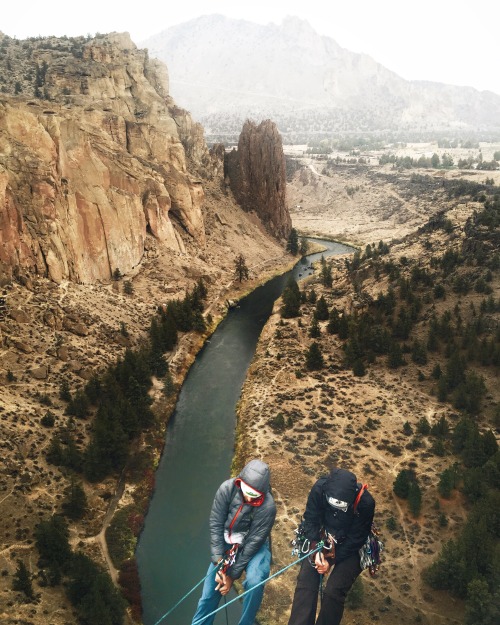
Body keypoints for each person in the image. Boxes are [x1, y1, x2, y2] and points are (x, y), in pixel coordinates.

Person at [191, 459, 276, 625]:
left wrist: (231, 575)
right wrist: (219, 563)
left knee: (255, 581)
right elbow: (216, 524)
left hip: (254, 547)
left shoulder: (268, 507)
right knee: (208, 594)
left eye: (254, 495)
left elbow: (253, 542)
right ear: (240, 482)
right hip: (227, 541)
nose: (248, 497)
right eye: (245, 490)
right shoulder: (227, 489)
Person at [288, 466, 375, 625]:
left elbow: (357, 538)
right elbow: (311, 520)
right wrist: (316, 551)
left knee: (334, 591)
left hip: (352, 546)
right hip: (321, 536)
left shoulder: (365, 503)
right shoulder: (319, 490)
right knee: (306, 583)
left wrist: (331, 561)